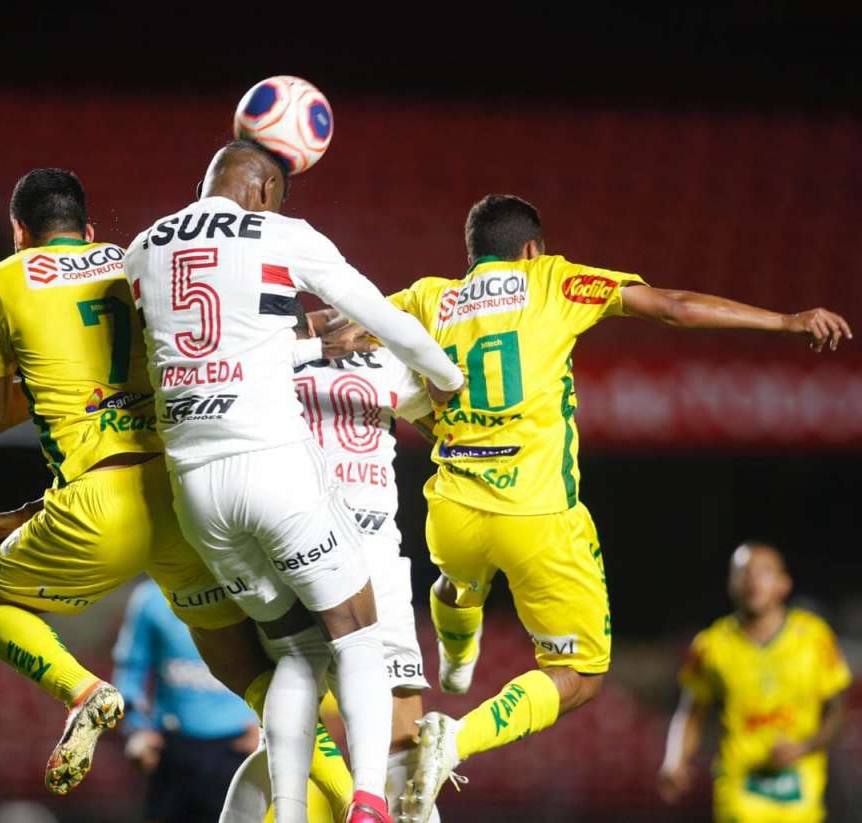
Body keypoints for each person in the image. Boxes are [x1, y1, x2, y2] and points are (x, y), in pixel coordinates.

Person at [387, 194, 853, 821]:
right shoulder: (551, 279)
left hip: (450, 514)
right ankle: (457, 739)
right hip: (537, 518)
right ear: (532, 249)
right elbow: (674, 308)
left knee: (458, 576)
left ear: (471, 255)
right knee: (577, 675)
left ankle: (458, 648)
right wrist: (786, 321)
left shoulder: (427, 297)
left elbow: (342, 328)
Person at [124, 139, 464, 823]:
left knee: (295, 650)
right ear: (266, 192)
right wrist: (449, 378)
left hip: (197, 491)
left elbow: (210, 346)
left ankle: (288, 807)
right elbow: (386, 320)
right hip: (273, 470)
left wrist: (307, 342)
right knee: (355, 632)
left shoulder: (142, 248)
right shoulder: (280, 233)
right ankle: (367, 801)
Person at [0, 168, 272, 796]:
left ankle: (85, 692)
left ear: (20, 232)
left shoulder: (2, 277)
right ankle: (354, 794)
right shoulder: (133, 261)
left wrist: (47, 372)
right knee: (252, 678)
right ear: (90, 230)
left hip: (96, 503)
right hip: (181, 496)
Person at [220, 318, 440, 821]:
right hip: (371, 551)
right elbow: (444, 426)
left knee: (288, 733)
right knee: (403, 738)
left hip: (290, 548)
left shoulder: (260, 362)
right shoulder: (387, 360)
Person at [659, 541, 852, 822]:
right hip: (739, 793)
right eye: (743, 572)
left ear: (784, 584)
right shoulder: (710, 646)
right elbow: (691, 713)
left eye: (764, 572)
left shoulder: (814, 637)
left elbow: (836, 711)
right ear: (730, 582)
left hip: (801, 794)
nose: (753, 581)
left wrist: (805, 746)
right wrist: (674, 760)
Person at [113, 579, 260, 823]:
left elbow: (284, 661)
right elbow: (130, 672)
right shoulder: (150, 599)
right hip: (172, 747)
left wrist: (265, 726)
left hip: (239, 747)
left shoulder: (248, 589)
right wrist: (136, 729)